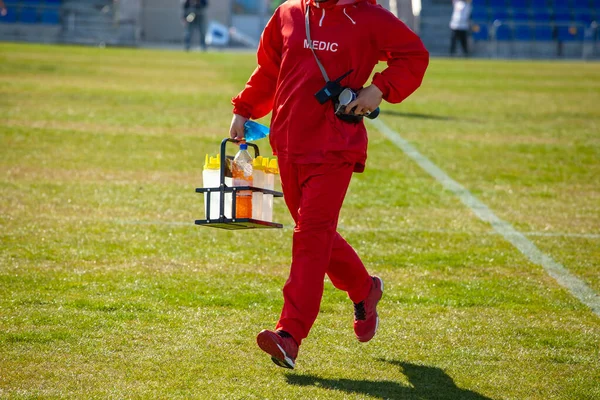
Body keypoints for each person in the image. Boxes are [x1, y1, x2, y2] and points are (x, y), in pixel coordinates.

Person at [229, 0, 429, 369]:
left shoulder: (369, 17)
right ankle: (364, 290)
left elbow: (414, 55)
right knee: (317, 236)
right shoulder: (289, 12)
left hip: (336, 146)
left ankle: (289, 335)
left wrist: (378, 89)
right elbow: (270, 69)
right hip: (287, 143)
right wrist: (244, 109)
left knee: (310, 236)